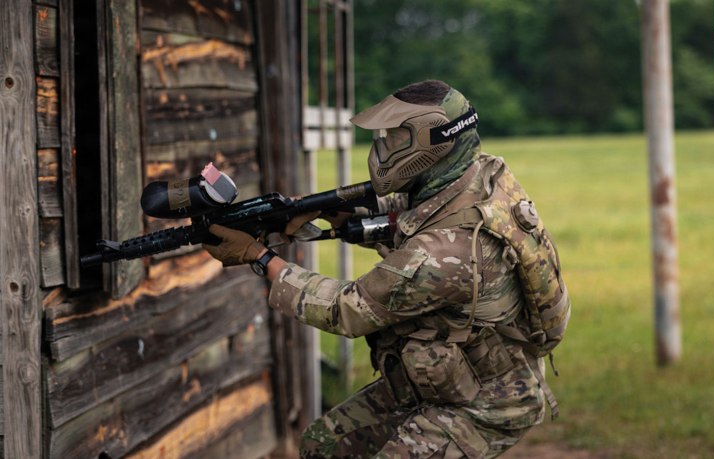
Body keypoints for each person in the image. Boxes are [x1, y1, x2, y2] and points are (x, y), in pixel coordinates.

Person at [204, 80, 570, 458]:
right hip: (446, 377)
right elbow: (414, 215)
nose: (381, 148)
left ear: (431, 144)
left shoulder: (446, 254)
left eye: (395, 138)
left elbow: (346, 309)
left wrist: (260, 258)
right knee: (324, 444)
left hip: (486, 404)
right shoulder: (478, 174)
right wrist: (331, 214)